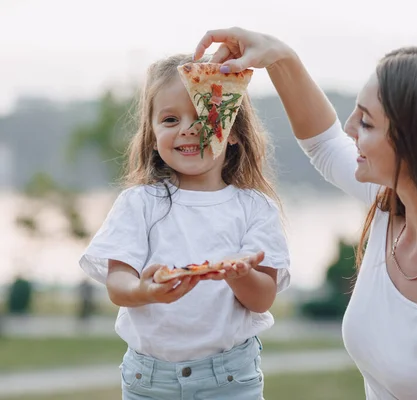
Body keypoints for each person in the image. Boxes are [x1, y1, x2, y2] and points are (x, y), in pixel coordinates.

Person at [193, 28, 417, 399]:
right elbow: (323, 144)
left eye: (367, 122)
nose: (350, 128)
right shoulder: (393, 205)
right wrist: (278, 55)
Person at [79, 53, 290, 400]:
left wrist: (239, 274)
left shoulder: (254, 208)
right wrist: (143, 291)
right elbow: (118, 283)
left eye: (205, 115)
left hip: (230, 380)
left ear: (234, 132)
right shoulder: (139, 203)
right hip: (149, 382)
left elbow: (262, 298)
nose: (187, 129)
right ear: (152, 133)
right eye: (170, 119)